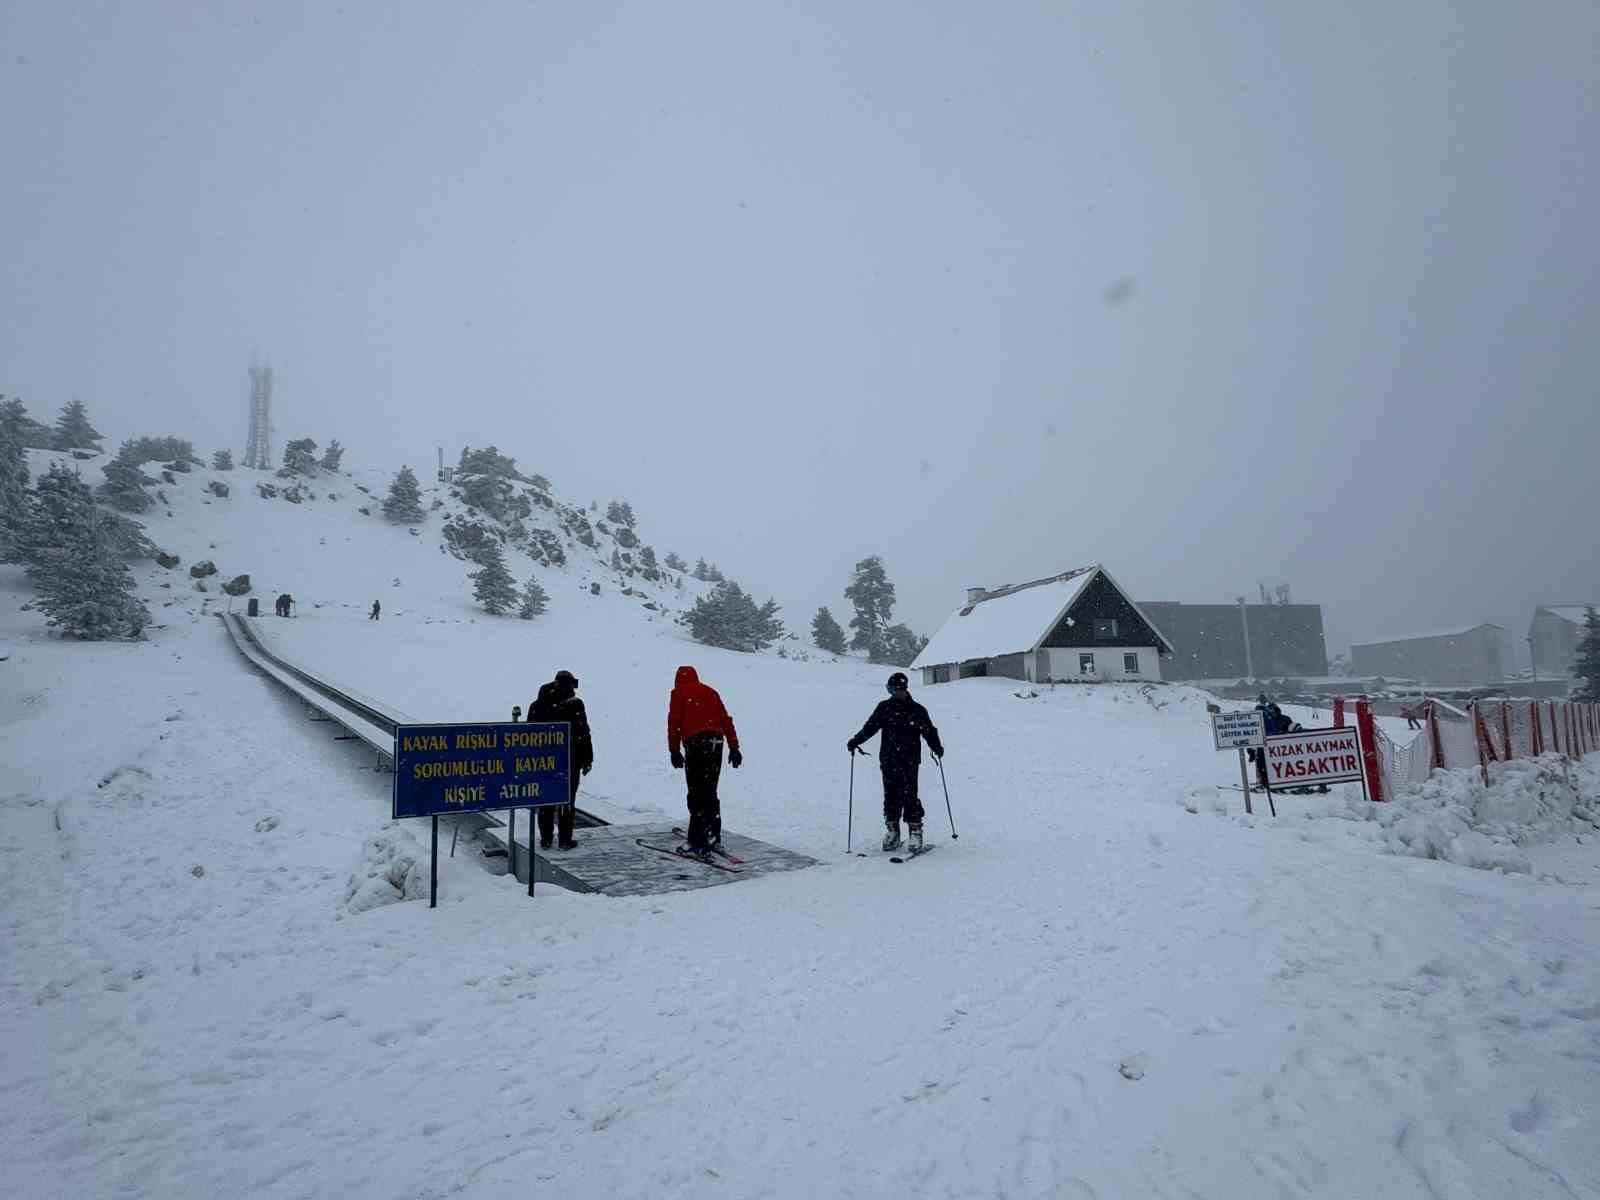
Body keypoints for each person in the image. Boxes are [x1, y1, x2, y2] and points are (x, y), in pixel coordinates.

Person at [847, 671, 945, 852]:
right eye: (890, 690)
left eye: (894, 690)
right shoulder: (884, 708)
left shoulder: (917, 710)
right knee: (890, 795)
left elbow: (929, 731)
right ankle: (893, 830)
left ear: (902, 689)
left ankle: (915, 831)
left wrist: (936, 747)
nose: (892, 693)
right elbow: (870, 727)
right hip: (888, 759)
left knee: (909, 794)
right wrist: (856, 740)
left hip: (909, 760)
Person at [666, 666, 741, 854]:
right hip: (716, 742)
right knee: (710, 790)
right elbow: (725, 720)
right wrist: (734, 747)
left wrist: (674, 750)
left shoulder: (678, 693)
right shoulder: (711, 691)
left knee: (696, 791)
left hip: (697, 743)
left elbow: (674, 722)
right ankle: (712, 834)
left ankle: (697, 840)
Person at [527, 669, 592, 850]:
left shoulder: (537, 705)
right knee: (567, 802)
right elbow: (583, 734)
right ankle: (564, 840)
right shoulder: (575, 704)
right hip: (570, 762)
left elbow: (527, 736)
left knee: (546, 801)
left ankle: (546, 839)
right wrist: (588, 758)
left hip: (544, 763)